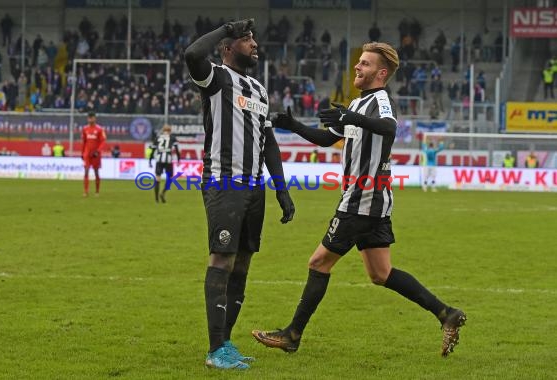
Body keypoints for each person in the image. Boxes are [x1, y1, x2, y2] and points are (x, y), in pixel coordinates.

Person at [252, 42, 466, 358]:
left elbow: (389, 128)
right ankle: (446, 314)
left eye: (364, 64)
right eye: (359, 62)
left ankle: (292, 334)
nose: (357, 67)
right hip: (374, 201)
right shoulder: (360, 102)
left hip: (361, 200)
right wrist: (293, 125)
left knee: (318, 263)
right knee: (381, 274)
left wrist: (350, 116)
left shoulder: (380, 101)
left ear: (381, 72)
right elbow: (329, 138)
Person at [184, 18, 295, 370]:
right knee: (222, 259)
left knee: (243, 263)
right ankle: (216, 350)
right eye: (247, 40)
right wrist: (227, 28)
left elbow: (270, 143)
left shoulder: (259, 89)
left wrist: (281, 188)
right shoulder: (216, 78)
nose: (255, 44)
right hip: (224, 182)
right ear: (229, 47)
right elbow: (192, 53)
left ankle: (226, 344)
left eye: (254, 39)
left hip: (254, 187)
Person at [148, 125, 180, 203]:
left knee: (157, 178)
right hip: (168, 159)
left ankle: (156, 200)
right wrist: (179, 159)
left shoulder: (158, 137)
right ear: (170, 131)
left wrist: (150, 160)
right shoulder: (172, 138)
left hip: (159, 159)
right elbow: (176, 150)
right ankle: (163, 193)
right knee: (169, 178)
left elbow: (153, 150)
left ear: (163, 130)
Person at [81, 111, 106, 197]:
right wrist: (82, 152)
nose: (90, 119)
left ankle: (97, 191)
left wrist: (98, 151)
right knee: (86, 171)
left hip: (95, 154)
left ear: (95, 118)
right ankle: (85, 191)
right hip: (87, 153)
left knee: (96, 172)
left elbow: (103, 142)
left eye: (92, 117)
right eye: (89, 118)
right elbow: (84, 141)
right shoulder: (85, 129)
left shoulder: (99, 129)